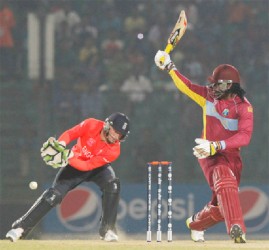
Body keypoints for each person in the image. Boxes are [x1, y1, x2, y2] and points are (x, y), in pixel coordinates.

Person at [154, 51, 253, 243]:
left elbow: (245, 137)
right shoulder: (208, 96)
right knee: (223, 178)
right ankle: (237, 228)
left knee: (220, 206)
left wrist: (218, 145)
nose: (214, 87)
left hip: (230, 155)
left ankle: (195, 224)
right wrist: (170, 67)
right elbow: (187, 86)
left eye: (219, 84)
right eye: (214, 83)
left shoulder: (244, 107)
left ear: (231, 85)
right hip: (207, 152)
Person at [6, 112, 130, 242]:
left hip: (96, 168)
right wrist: (60, 145)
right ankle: (20, 228)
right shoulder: (91, 124)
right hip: (74, 165)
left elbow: (88, 166)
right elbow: (70, 134)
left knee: (113, 185)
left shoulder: (114, 150)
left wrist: (68, 156)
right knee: (53, 196)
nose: (116, 136)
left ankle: (108, 230)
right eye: (115, 131)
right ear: (107, 125)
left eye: (120, 134)